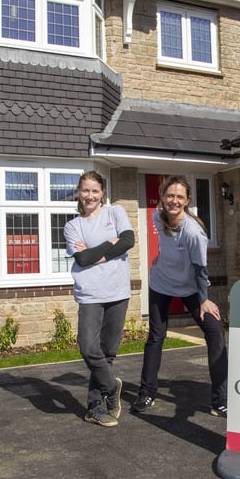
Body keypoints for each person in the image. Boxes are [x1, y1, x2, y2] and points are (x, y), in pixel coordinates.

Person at [131, 175, 229, 417]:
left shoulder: (194, 233)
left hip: (192, 289)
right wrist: (161, 260)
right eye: (170, 195)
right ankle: (147, 392)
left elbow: (200, 269)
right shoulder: (157, 216)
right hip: (161, 284)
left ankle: (220, 401)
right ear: (163, 197)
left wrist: (205, 299)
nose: (174, 201)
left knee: (216, 333)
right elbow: (166, 244)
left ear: (187, 201)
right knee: (156, 336)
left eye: (179, 197)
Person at [64, 171, 134, 427]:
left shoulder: (115, 212)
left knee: (108, 353)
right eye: (85, 190)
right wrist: (110, 244)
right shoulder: (73, 226)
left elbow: (128, 240)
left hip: (117, 291)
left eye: (95, 190)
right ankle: (111, 386)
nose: (90, 196)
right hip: (90, 294)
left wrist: (97, 253)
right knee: (88, 346)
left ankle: (95, 406)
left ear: (102, 192)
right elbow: (81, 259)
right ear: (79, 193)